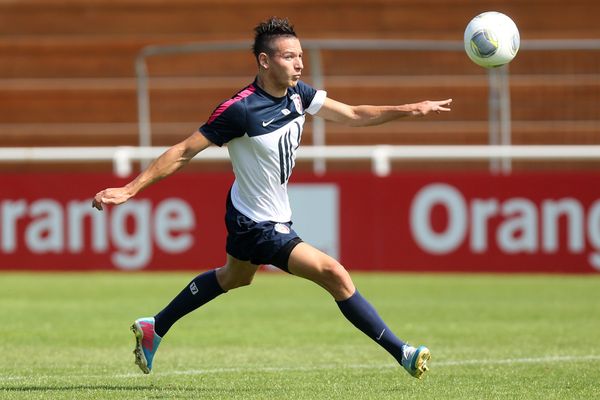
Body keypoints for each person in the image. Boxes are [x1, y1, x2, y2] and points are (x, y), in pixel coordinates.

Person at [92, 17, 451, 379]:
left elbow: (354, 115)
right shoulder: (239, 110)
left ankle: (156, 326)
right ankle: (403, 352)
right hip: (256, 223)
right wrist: (130, 189)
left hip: (253, 210)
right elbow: (184, 150)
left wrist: (410, 108)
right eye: (289, 57)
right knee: (335, 274)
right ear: (265, 62)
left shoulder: (300, 95)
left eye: (300, 56)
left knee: (235, 277)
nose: (299, 64)